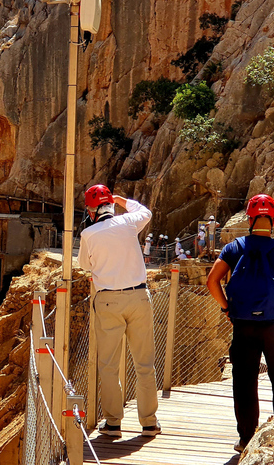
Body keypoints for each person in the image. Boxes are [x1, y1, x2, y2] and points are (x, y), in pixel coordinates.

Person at [206, 194, 274, 453]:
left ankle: (245, 439)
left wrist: (228, 307)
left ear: (250, 219)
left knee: (244, 382)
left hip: (242, 325)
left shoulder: (235, 247)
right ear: (272, 220)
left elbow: (211, 282)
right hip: (273, 325)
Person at [78, 185, 161, 438]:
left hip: (108, 301)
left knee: (109, 364)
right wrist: (122, 199)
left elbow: (84, 265)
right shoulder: (128, 222)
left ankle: (113, 423)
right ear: (110, 205)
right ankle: (148, 423)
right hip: (138, 297)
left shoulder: (88, 234)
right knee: (144, 364)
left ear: (92, 211)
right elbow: (145, 211)